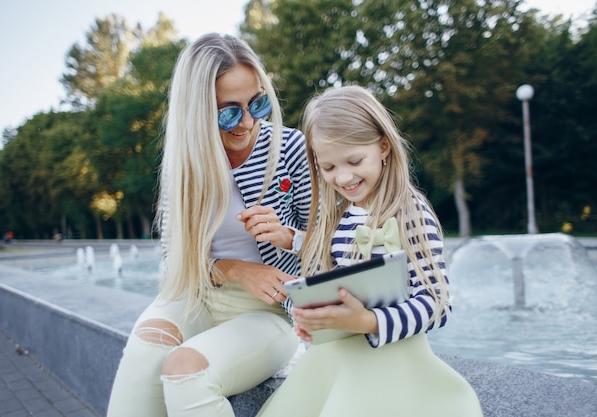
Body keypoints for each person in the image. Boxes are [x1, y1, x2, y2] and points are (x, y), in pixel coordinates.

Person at [106, 33, 311, 417]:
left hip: (271, 310)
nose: (247, 122)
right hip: (195, 295)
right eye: (229, 111)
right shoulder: (184, 161)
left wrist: (288, 237)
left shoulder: (291, 148)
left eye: (257, 103)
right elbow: (174, 257)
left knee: (186, 371)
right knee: (145, 348)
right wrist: (234, 269)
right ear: (197, 112)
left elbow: (331, 244)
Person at [257, 85, 483, 416]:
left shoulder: (410, 213)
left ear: (383, 146)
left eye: (354, 160)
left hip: (389, 359)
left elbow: (437, 304)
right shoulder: (340, 214)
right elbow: (339, 264)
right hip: (337, 358)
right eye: (329, 167)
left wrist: (368, 320)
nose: (343, 177)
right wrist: (313, 316)